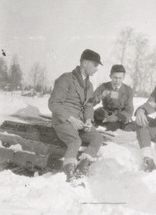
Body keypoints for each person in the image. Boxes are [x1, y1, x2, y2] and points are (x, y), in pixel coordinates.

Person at [48, 49, 104, 183]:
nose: (97, 69)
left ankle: (81, 170)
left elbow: (88, 106)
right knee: (75, 141)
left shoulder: (89, 85)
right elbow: (53, 104)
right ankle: (70, 175)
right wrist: (71, 119)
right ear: (85, 63)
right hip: (63, 120)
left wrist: (89, 120)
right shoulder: (66, 78)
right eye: (95, 65)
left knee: (97, 137)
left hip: (79, 122)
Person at [93, 64, 135, 132]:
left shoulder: (128, 90)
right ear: (110, 76)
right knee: (89, 120)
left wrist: (117, 118)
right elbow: (90, 102)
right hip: (104, 114)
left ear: (124, 77)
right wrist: (102, 96)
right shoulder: (104, 86)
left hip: (119, 117)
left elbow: (129, 109)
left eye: (120, 78)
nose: (117, 80)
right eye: (115, 77)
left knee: (112, 129)